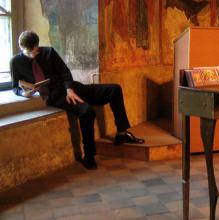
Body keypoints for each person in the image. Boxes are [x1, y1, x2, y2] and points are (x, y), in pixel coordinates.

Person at [10, 31, 145, 170]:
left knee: (114, 89)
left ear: (37, 45)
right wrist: (23, 93)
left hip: (72, 88)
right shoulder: (16, 62)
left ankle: (122, 133)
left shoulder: (49, 52)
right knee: (87, 112)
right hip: (56, 97)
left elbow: (65, 72)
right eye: (29, 51)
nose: (33, 53)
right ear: (21, 47)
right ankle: (89, 156)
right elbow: (15, 87)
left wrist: (70, 89)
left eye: (35, 50)